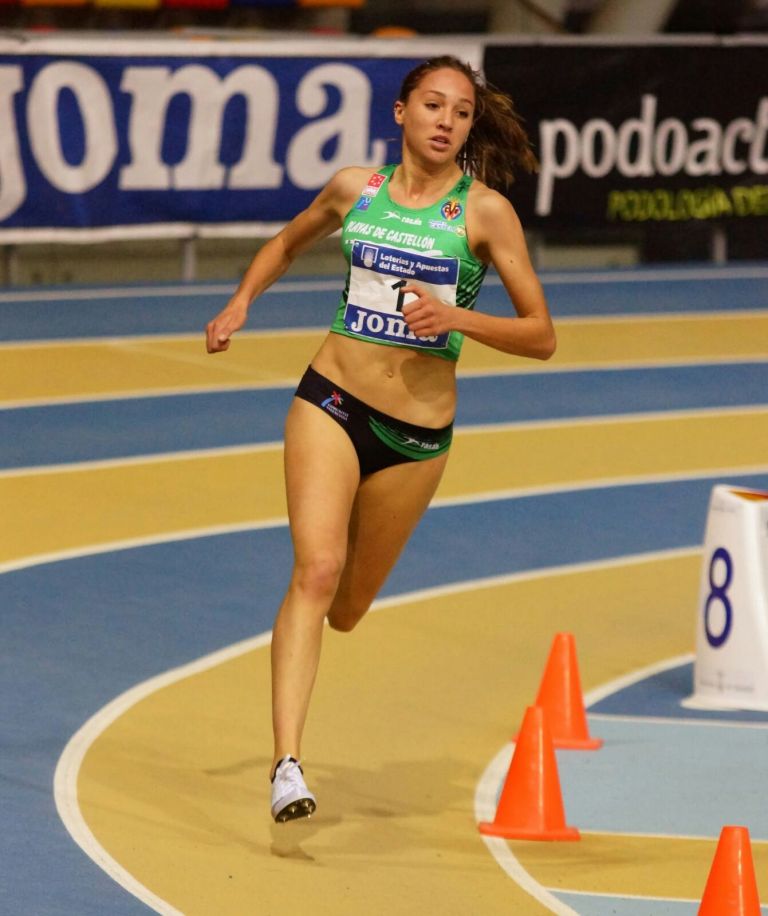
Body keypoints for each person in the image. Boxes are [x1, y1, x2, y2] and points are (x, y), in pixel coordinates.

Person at [205, 55, 556, 823]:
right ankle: (287, 765)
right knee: (317, 569)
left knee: (350, 606)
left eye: (460, 112)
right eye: (433, 105)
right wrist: (240, 300)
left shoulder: (486, 213)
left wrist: (456, 317)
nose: (446, 122)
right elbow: (287, 243)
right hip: (329, 400)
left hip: (416, 436)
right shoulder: (352, 189)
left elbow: (541, 335)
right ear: (401, 112)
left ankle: (338, 599)